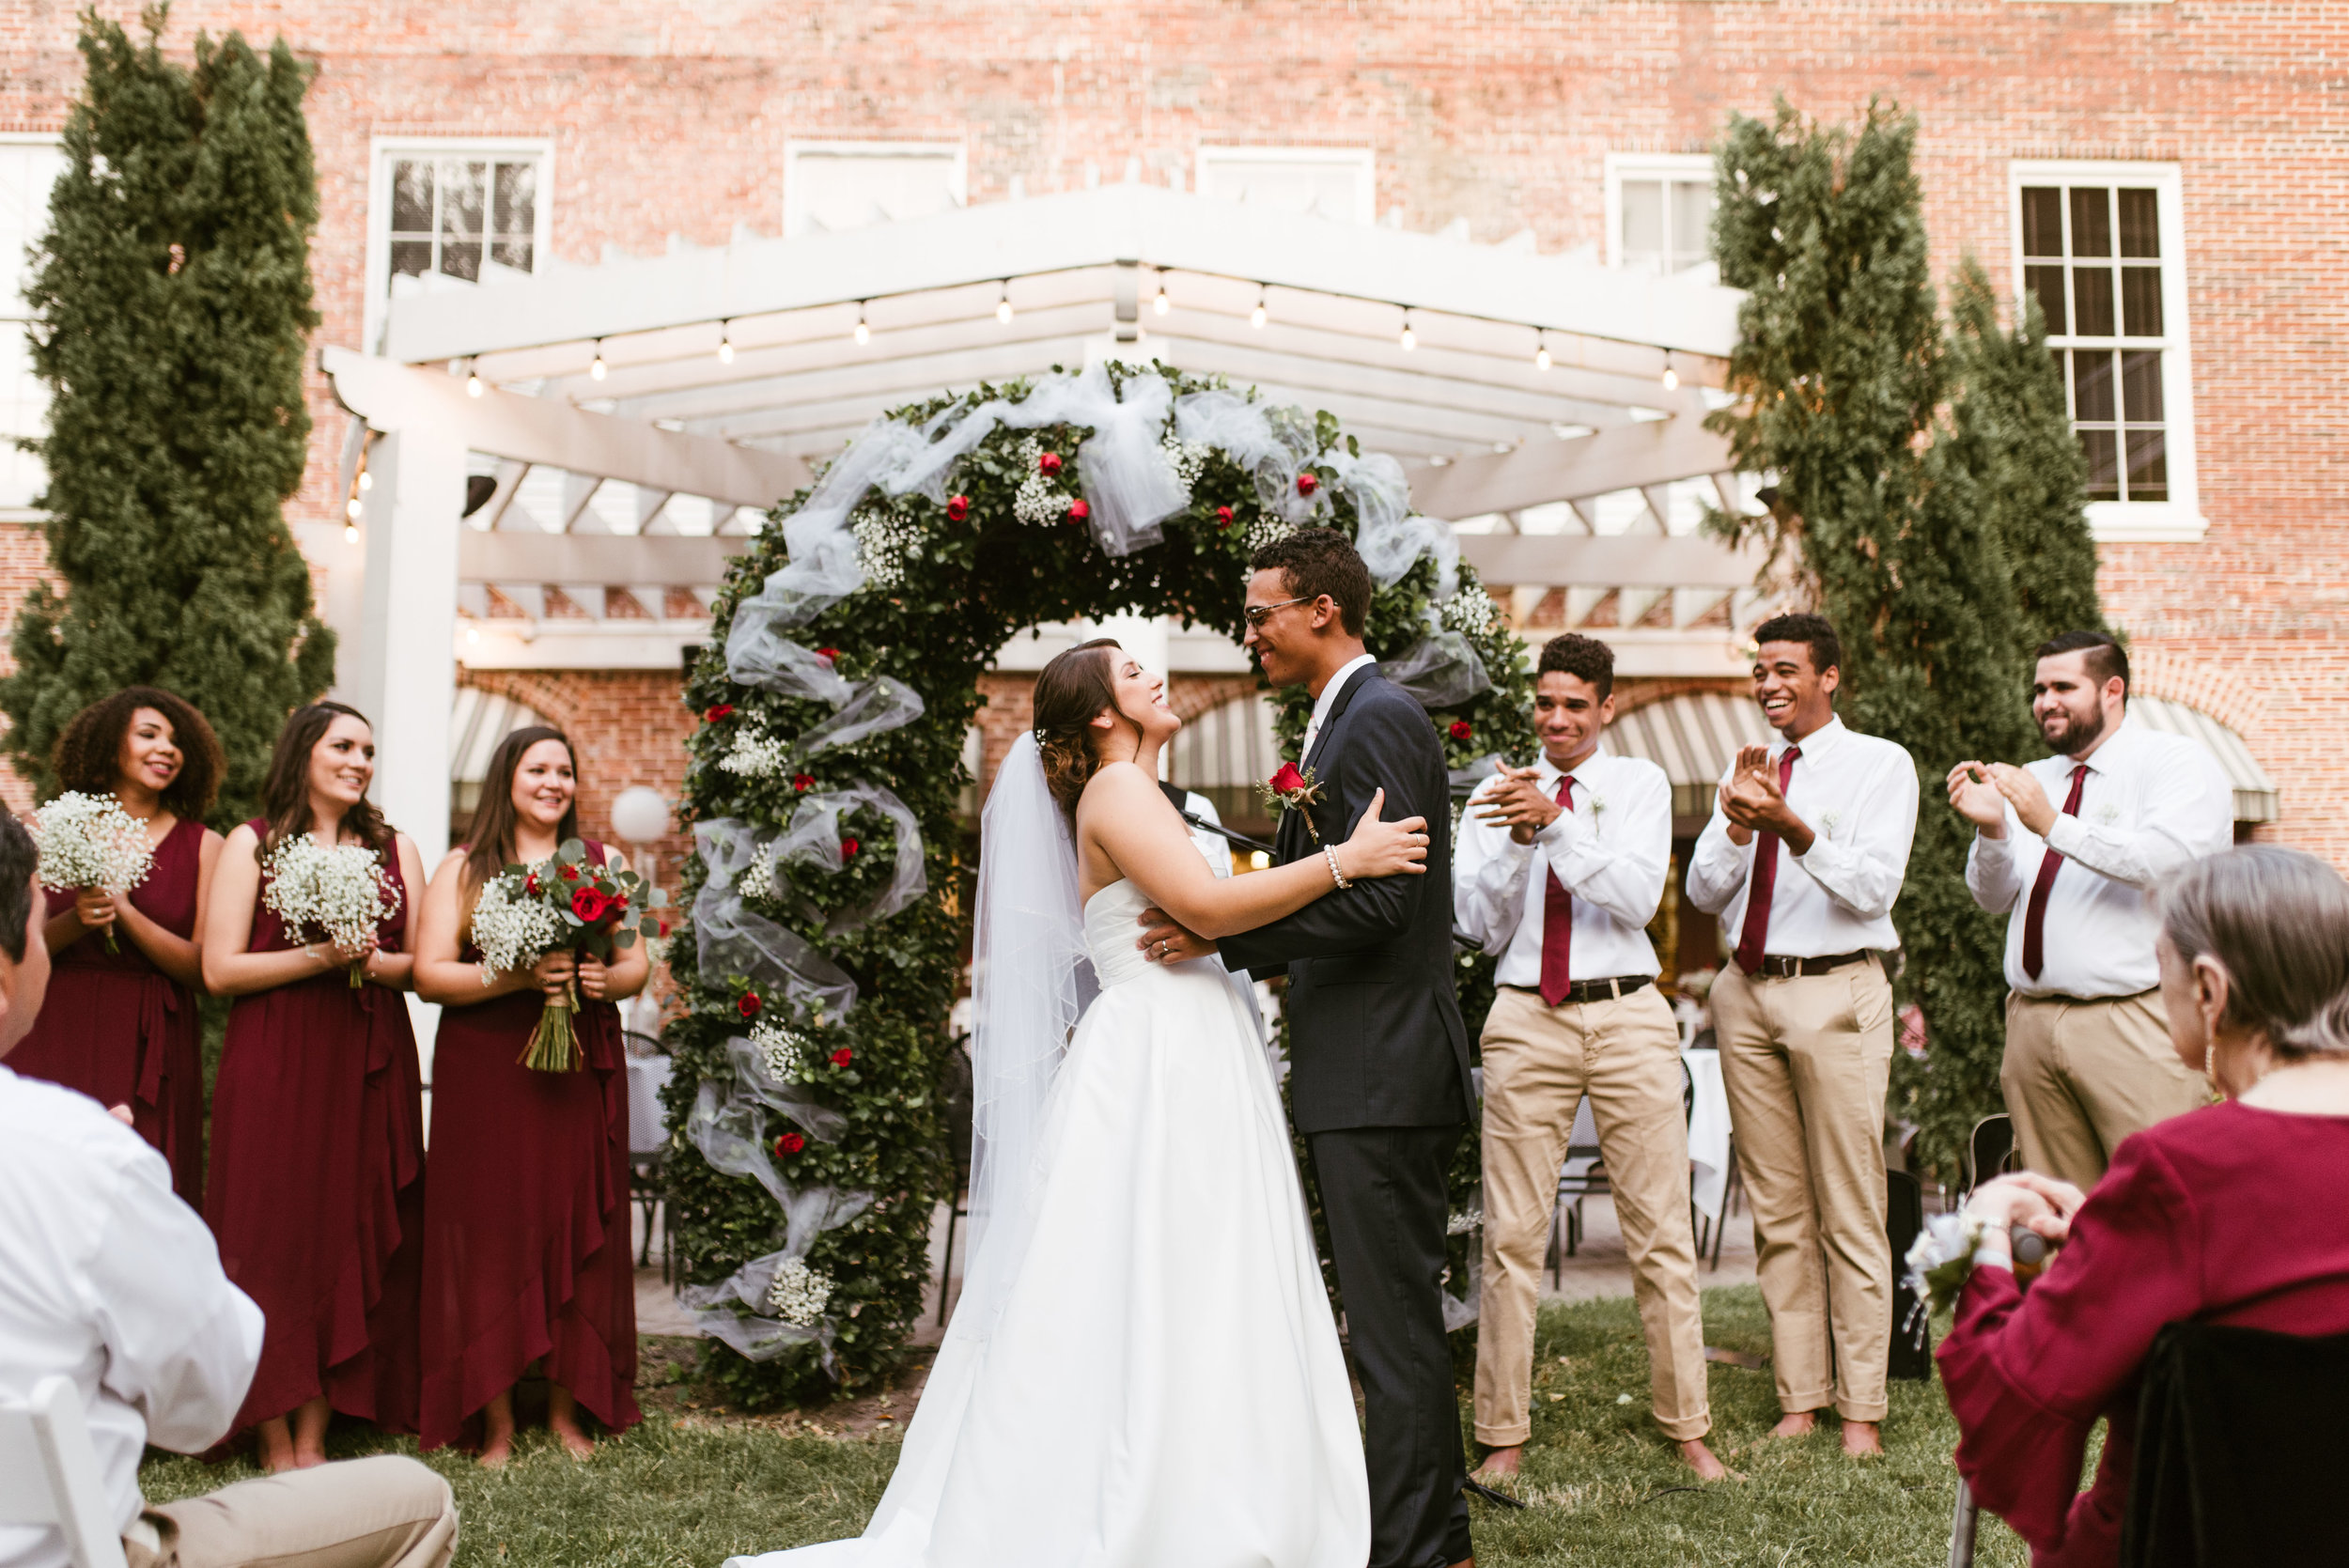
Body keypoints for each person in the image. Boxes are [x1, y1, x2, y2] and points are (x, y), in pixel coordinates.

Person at [728, 636, 1430, 1565]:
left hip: (1191, 1038)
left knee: (1192, 1270)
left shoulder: (1139, 790)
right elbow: (1210, 911)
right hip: (1157, 1052)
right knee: (1155, 1269)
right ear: (1101, 713)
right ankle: (1165, 1495)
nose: (1155, 676)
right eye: (1134, 672)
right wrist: (1351, 857)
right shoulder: (1118, 788)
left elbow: (1206, 907)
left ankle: (1212, 1482)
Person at [0, 810, 459, 1568]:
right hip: (74, 1553)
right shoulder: (76, 1152)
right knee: (419, 1498)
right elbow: (204, 1397)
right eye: (35, 918)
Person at [1149, 528, 1479, 1568]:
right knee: (1390, 1323)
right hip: (1364, 1065)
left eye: (1259, 614)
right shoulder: (1347, 722)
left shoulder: (1374, 721)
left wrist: (1227, 930)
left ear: (1320, 611)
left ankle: (1419, 1553)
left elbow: (1384, 900)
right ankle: (1442, 1543)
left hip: (1381, 1068)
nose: (1248, 632)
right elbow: (1348, 878)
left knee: (1391, 1332)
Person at [1937, 846, 2349, 1568]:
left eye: (2159, 970)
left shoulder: (2180, 1173)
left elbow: (2012, 1405)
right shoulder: (2170, 1192)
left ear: (2211, 990)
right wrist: (2108, 1241)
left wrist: (1987, 1236)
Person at [1455, 633, 1724, 1483]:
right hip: (1526, 1014)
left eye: (1576, 703)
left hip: (1628, 1013)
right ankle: (1503, 1434)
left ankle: (1688, 1425)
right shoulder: (1494, 798)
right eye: (1546, 703)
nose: (1558, 718)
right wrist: (1515, 838)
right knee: (1512, 1236)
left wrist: (1560, 825)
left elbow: (1640, 897)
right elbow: (1478, 924)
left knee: (1660, 1229)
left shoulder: (1639, 784)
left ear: (1607, 706)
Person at [1686, 612, 1920, 1456]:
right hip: (1745, 991)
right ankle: (1800, 1395)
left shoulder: (1879, 765)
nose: (1768, 684)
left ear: (1828, 677)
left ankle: (1861, 1409)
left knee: (1851, 1206)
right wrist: (1737, 821)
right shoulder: (1744, 767)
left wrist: (1787, 821)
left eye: (1785, 669)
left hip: (1834, 989)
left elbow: (1871, 887)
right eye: (1759, 671)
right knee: (1778, 1208)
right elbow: (1706, 889)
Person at [201, 703, 430, 1470]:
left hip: (368, 1052)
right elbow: (220, 968)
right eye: (344, 745)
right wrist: (321, 957)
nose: (360, 760)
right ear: (303, 751)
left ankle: (316, 1434)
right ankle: (272, 1430)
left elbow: (423, 969)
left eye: (369, 749)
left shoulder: (397, 848)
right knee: (272, 1234)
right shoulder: (253, 843)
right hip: (277, 1055)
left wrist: (366, 959)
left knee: (345, 1227)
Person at [412, 726, 647, 1464]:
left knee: (576, 1224)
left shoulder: (610, 865)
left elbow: (638, 958)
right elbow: (429, 974)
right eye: (537, 768)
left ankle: (569, 1411)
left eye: (565, 771)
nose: (553, 782)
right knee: (489, 1235)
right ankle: (497, 1419)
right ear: (506, 779)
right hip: (487, 1069)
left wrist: (607, 979)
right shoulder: (465, 866)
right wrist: (516, 975)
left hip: (577, 1064)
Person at [1949, 630, 2230, 1189]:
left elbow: (2171, 862)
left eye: (2062, 687)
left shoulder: (2174, 762)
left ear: (2112, 690)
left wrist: (2053, 825)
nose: (2045, 701)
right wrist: (1994, 831)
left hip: (2135, 1019)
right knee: (2058, 1210)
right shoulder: (2037, 777)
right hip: (2031, 1021)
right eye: (2038, 689)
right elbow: (1993, 897)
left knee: (2160, 1196)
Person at [8, 688, 224, 1205]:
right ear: (108, 747)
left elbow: (204, 970)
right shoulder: (44, 828)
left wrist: (125, 912)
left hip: (151, 1034)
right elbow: (15, 944)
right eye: (149, 735)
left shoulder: (204, 845)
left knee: (140, 1188)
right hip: (56, 1020)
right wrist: (80, 921)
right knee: (44, 1184)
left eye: (176, 741)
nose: (167, 749)